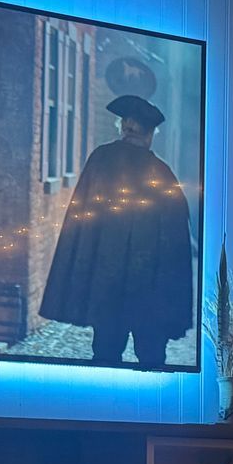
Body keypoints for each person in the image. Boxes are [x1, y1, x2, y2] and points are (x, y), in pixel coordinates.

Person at [40, 94, 194, 368]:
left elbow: (82, 222)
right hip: (149, 293)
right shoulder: (162, 173)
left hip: (106, 288)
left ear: (124, 128)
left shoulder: (101, 161)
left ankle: (104, 410)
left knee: (105, 355)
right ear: (149, 135)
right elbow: (176, 246)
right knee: (152, 361)